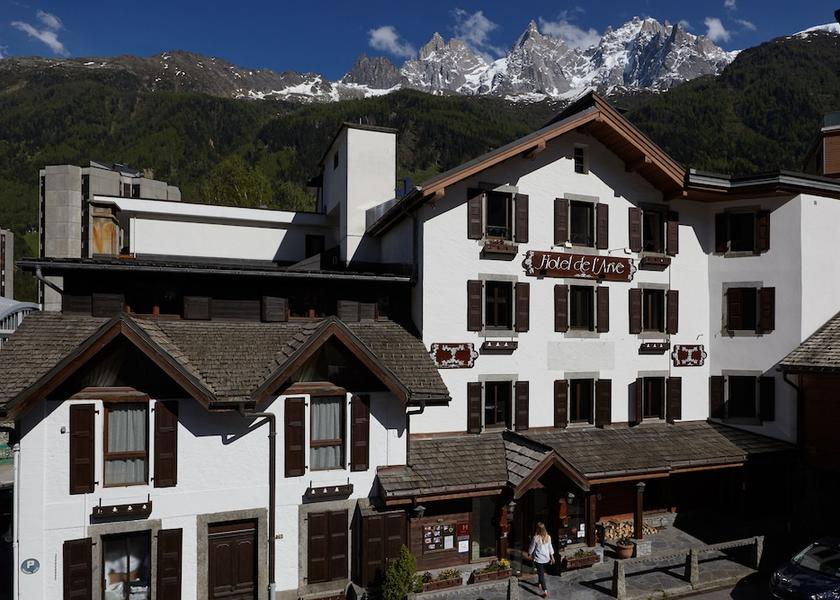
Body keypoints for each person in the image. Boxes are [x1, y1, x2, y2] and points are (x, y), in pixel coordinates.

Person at [526, 522, 555, 598]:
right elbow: (550, 547)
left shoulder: (535, 538)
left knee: (541, 575)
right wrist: (552, 557)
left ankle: (545, 591)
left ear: (537, 529)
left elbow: (531, 547)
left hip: (539, 560)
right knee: (540, 572)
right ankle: (539, 583)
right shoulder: (548, 537)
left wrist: (529, 553)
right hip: (547, 559)